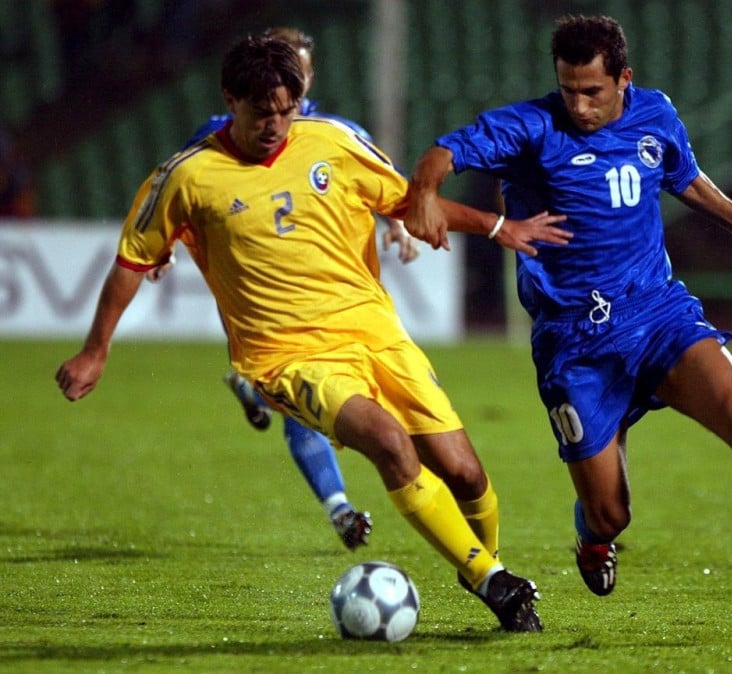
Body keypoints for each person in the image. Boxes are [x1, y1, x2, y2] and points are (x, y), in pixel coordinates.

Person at [55, 35, 572, 631]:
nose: (275, 124)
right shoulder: (188, 177)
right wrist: (96, 351)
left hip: (377, 334)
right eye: (260, 112)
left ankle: (480, 566)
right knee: (387, 442)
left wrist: (496, 224)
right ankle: (493, 582)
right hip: (286, 357)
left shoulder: (333, 142)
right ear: (231, 100)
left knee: (467, 475)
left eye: (287, 109)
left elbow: (409, 204)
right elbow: (130, 261)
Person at [405, 14, 732, 622]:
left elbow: (685, 178)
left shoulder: (655, 114)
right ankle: (594, 536)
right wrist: (427, 190)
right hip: (575, 344)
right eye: (569, 90)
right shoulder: (532, 126)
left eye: (593, 91)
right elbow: (444, 152)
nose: (580, 105)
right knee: (613, 513)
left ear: (624, 79)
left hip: (657, 312)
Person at [157, 26, 420, 551]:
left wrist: (400, 225)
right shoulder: (222, 134)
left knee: (357, 404)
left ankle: (254, 391)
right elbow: (174, 191)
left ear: (308, 77)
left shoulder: (335, 131)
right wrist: (160, 247)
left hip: (347, 295)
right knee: (312, 400)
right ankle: (340, 506)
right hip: (274, 301)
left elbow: (384, 186)